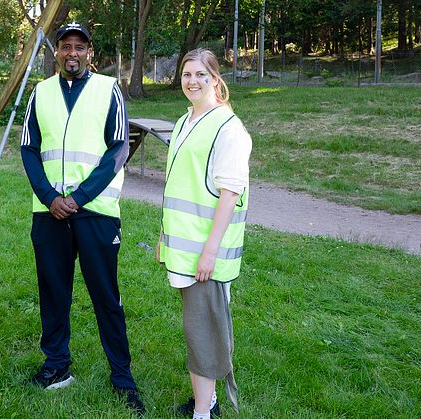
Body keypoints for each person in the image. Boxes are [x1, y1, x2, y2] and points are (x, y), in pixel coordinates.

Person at [20, 22, 145, 415]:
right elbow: (29, 149)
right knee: (53, 294)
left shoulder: (109, 89)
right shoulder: (40, 93)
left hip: (96, 212)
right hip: (49, 213)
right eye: (65, 46)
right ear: (56, 52)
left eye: (79, 47)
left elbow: (118, 149)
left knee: (106, 298)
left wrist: (77, 198)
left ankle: (122, 378)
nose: (71, 53)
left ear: (91, 53)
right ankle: (56, 367)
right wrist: (50, 197)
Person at [157, 48, 252, 419]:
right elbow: (178, 185)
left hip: (205, 253)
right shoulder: (184, 121)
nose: (192, 81)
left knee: (203, 332)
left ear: (215, 78)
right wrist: (165, 236)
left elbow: (230, 194)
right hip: (184, 248)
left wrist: (210, 252)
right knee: (195, 327)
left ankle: (203, 412)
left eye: (200, 74)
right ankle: (205, 400)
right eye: (186, 74)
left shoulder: (229, 129)